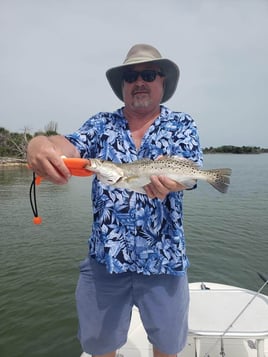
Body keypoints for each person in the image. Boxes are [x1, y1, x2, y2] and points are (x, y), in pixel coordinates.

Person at [27, 44, 203, 357]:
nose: (139, 82)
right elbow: (69, 144)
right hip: (106, 259)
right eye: (130, 76)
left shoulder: (182, 125)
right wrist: (42, 143)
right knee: (100, 347)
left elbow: (190, 172)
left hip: (164, 259)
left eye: (148, 74)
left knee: (167, 347)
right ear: (122, 85)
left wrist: (175, 183)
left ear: (163, 82)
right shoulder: (102, 124)